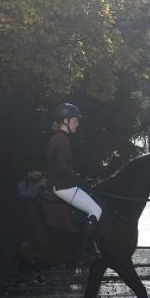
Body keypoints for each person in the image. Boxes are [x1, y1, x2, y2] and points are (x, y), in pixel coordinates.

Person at [47, 103, 102, 262]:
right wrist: (83, 182)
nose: (77, 124)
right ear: (66, 120)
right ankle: (83, 251)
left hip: (62, 185)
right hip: (65, 187)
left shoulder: (57, 138)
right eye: (75, 121)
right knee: (96, 210)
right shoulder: (62, 140)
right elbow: (63, 168)